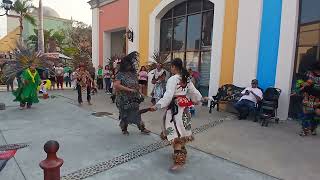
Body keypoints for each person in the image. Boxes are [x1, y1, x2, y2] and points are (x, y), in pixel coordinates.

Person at [149, 58, 206, 171]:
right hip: (185, 111)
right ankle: (182, 152)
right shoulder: (186, 78)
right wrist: (200, 99)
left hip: (174, 112)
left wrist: (157, 105)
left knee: (174, 134)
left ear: (174, 67)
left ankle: (179, 160)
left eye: (171, 67)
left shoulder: (173, 79)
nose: (171, 68)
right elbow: (194, 92)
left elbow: (168, 96)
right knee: (182, 132)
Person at [114, 51, 151, 135]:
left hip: (134, 98)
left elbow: (136, 84)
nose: (129, 66)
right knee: (125, 114)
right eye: (128, 64)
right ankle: (124, 129)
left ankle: (142, 128)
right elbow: (117, 85)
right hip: (123, 98)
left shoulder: (133, 73)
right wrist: (129, 90)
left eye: (130, 64)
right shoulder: (120, 74)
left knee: (137, 113)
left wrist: (140, 92)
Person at [298, 64, 320, 136]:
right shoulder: (309, 74)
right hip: (308, 97)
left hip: (318, 99)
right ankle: (305, 130)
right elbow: (302, 84)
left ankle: (313, 127)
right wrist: (301, 88)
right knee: (305, 115)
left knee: (316, 115)